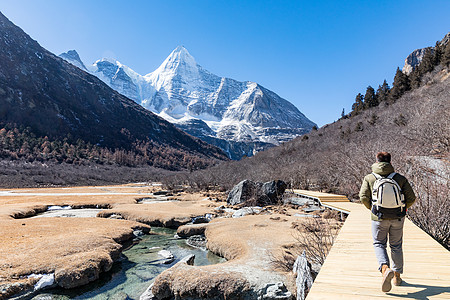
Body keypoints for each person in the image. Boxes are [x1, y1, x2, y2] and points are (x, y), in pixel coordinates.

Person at [359, 152, 416, 293]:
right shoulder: (400, 178)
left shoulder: (369, 178)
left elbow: (363, 197)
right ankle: (397, 277)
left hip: (378, 217)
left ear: (377, 161)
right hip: (397, 217)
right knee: (396, 246)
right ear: (390, 162)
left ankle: (385, 269)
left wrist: (372, 209)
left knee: (379, 243)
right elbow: (412, 197)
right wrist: (403, 208)